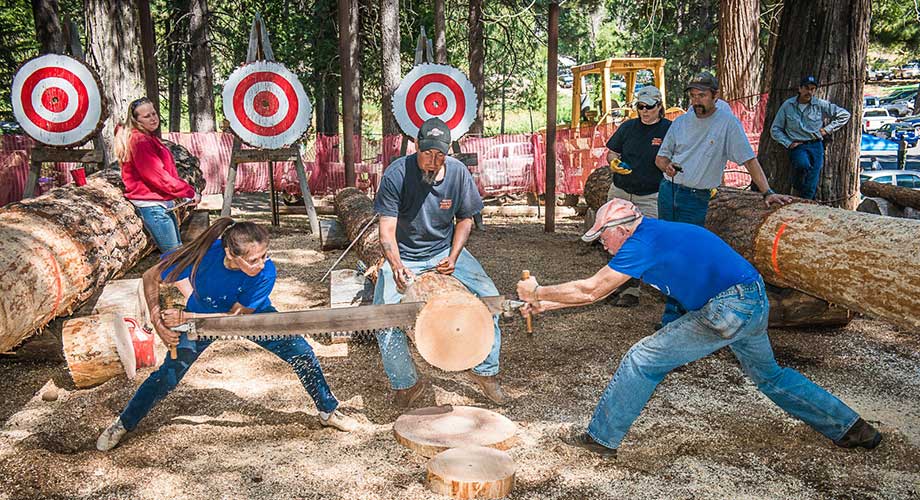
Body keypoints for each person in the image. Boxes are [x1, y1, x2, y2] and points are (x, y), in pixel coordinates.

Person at [516, 198, 883, 458]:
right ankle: (850, 428)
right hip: (752, 300)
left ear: (622, 230)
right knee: (770, 377)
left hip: (730, 306)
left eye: (603, 238)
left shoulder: (639, 242)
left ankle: (600, 439)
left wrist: (538, 289)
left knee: (642, 358)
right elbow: (595, 294)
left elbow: (591, 288)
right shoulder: (655, 235)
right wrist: (546, 304)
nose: (603, 246)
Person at [96, 218, 358, 451]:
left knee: (301, 352)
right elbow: (150, 276)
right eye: (253, 259)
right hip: (202, 314)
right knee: (167, 375)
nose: (262, 263)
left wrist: (186, 318)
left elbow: (235, 318)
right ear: (230, 255)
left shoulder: (266, 272)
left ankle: (328, 410)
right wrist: (156, 318)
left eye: (265, 255)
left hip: (247, 316)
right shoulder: (200, 256)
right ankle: (124, 423)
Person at [373, 117, 506, 407]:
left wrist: (454, 256)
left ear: (447, 153)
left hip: (443, 250)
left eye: (439, 155)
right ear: (416, 147)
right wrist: (396, 265)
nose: (432, 162)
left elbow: (465, 220)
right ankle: (406, 384)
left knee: (491, 299)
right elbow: (386, 230)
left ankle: (486, 372)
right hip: (405, 254)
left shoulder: (458, 174)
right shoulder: (397, 174)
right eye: (426, 154)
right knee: (383, 319)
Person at [655, 71, 793, 327]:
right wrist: (667, 167)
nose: (697, 101)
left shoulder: (727, 123)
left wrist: (768, 192)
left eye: (702, 96)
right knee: (668, 252)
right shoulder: (680, 123)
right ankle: (677, 313)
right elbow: (660, 158)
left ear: (715, 96)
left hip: (696, 198)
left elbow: (748, 160)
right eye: (693, 95)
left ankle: (677, 318)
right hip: (669, 191)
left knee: (687, 255)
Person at [603, 86, 671, 307]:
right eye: (639, 107)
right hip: (621, 191)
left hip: (650, 195)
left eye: (648, 107)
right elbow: (612, 151)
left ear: (659, 106)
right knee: (613, 238)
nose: (644, 111)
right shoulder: (628, 127)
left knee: (641, 241)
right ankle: (613, 285)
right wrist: (613, 162)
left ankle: (633, 288)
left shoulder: (670, 129)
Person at [114, 97, 200, 253]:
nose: (153, 118)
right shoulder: (140, 141)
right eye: (147, 116)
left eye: (154, 113)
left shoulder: (145, 137)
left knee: (177, 253)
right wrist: (188, 192)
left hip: (158, 204)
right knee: (174, 257)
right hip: (152, 206)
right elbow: (158, 176)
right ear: (136, 120)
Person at [770, 75, 851, 199]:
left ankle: (808, 205)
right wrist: (788, 143)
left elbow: (844, 115)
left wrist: (827, 130)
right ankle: (796, 185)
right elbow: (775, 129)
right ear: (800, 89)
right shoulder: (788, 105)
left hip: (816, 145)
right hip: (798, 145)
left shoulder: (819, 104)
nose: (809, 92)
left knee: (812, 180)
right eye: (807, 88)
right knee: (802, 165)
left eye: (813, 89)